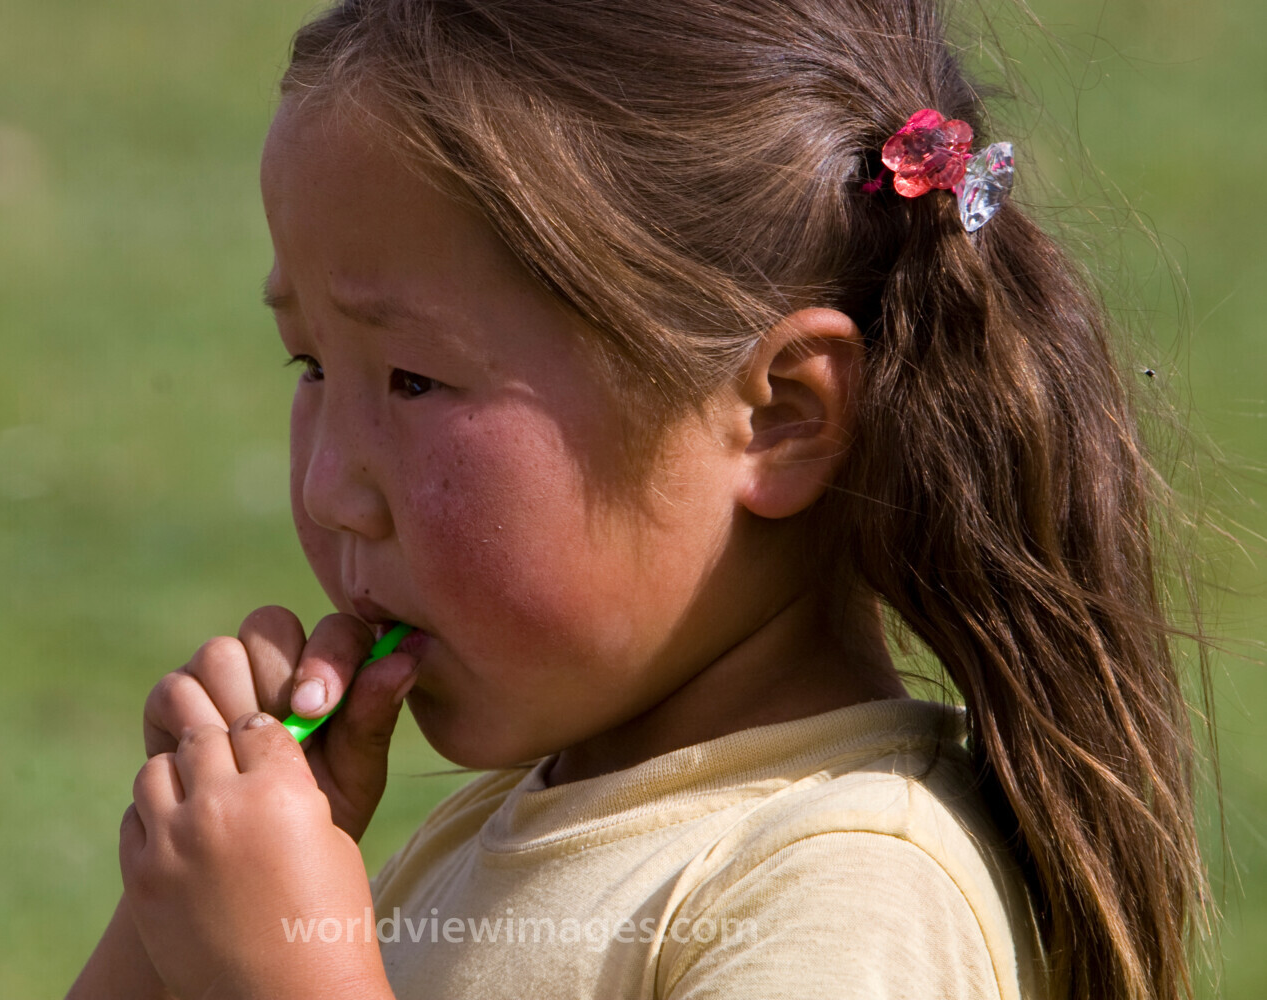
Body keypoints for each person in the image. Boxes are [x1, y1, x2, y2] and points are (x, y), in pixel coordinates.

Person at [66, 1, 1213, 998]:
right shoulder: (510, 831)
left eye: (414, 379)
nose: (330, 491)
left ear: (781, 416)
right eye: (311, 367)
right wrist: (175, 924)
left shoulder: (850, 886)